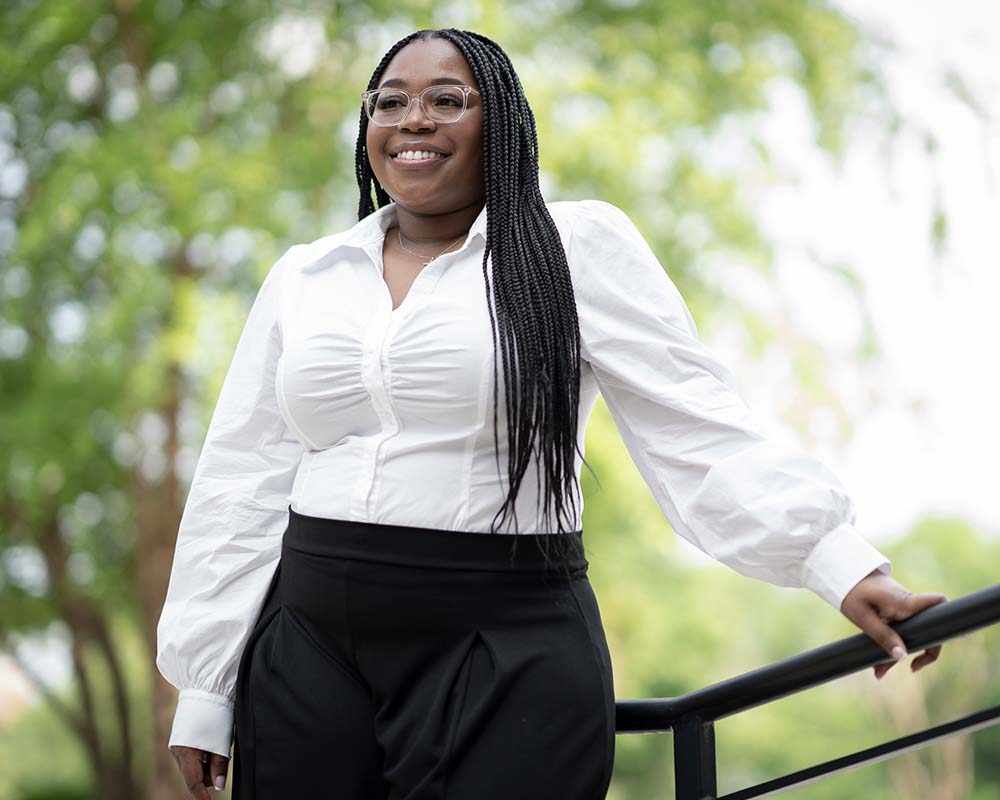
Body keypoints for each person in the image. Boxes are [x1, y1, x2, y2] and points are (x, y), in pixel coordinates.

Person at [155, 27, 947, 800]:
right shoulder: (308, 276)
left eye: (446, 99)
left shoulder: (572, 248)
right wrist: (207, 687)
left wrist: (839, 564)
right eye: (389, 102)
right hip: (310, 647)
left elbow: (696, 427)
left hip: (504, 643)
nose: (414, 120)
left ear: (501, 121)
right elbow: (245, 478)